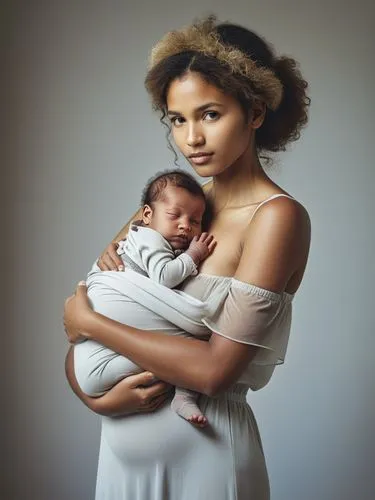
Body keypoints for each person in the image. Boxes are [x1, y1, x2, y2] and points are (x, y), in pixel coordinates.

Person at [64, 15, 311, 500]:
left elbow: (213, 372)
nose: (191, 138)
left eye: (210, 114)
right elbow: (82, 320)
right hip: (119, 459)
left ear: (255, 113)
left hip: (208, 457)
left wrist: (91, 325)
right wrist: (97, 402)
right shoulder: (171, 207)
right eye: (178, 119)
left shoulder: (276, 218)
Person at [74, 169, 217, 428]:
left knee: (175, 356)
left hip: (99, 361)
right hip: (99, 351)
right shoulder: (151, 239)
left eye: (195, 221)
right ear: (147, 215)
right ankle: (184, 394)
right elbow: (164, 276)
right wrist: (193, 255)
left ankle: (184, 395)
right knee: (179, 351)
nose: (186, 225)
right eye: (175, 216)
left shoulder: (146, 234)